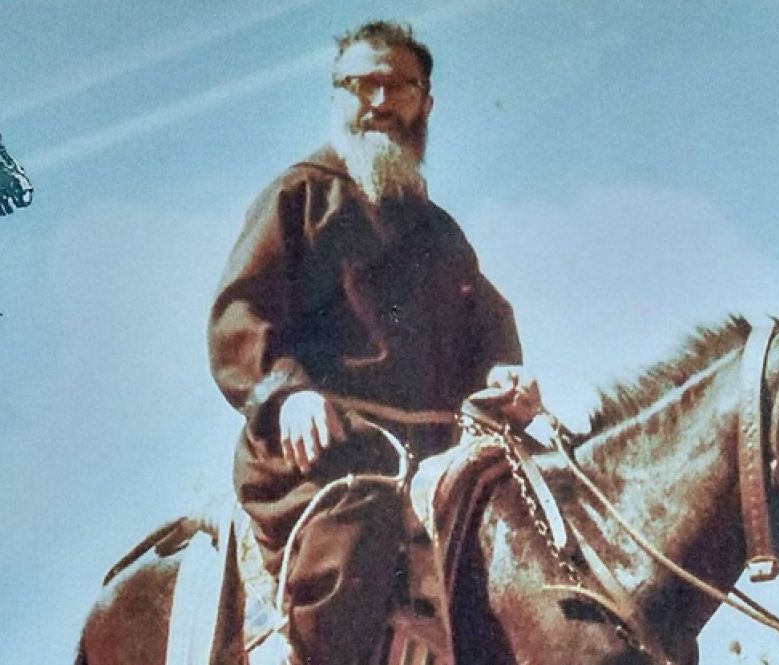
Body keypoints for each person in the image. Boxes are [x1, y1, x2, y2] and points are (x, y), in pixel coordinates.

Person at [208, 21, 537, 664]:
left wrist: (507, 379)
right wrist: (287, 397)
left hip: (440, 461)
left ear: (427, 103)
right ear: (337, 96)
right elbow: (239, 313)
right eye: (362, 84)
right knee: (359, 530)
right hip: (325, 455)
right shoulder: (298, 196)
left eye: (399, 86)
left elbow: (490, 330)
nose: (381, 102)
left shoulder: (443, 236)